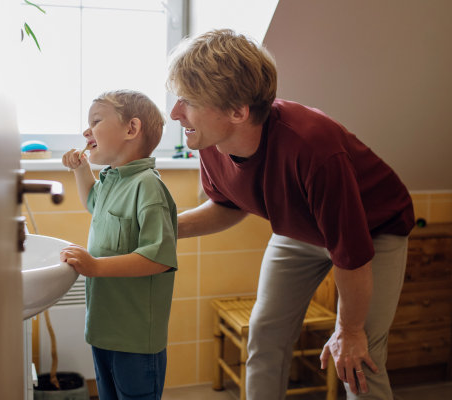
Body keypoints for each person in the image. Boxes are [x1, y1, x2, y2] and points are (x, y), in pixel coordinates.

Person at [167, 29, 414, 400]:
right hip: (299, 230)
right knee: (265, 334)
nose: (174, 113)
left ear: (238, 111)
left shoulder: (314, 148)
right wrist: (164, 229)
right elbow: (229, 205)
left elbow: (351, 252)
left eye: (188, 101)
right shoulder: (208, 139)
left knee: (358, 359)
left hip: (373, 231)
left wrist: (349, 329)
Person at [60, 90, 178, 400]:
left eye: (96, 121)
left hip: (135, 338)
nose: (87, 131)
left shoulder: (147, 186)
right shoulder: (113, 178)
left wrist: (96, 266)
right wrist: (81, 169)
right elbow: (92, 202)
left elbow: (158, 258)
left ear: (131, 129)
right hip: (104, 329)